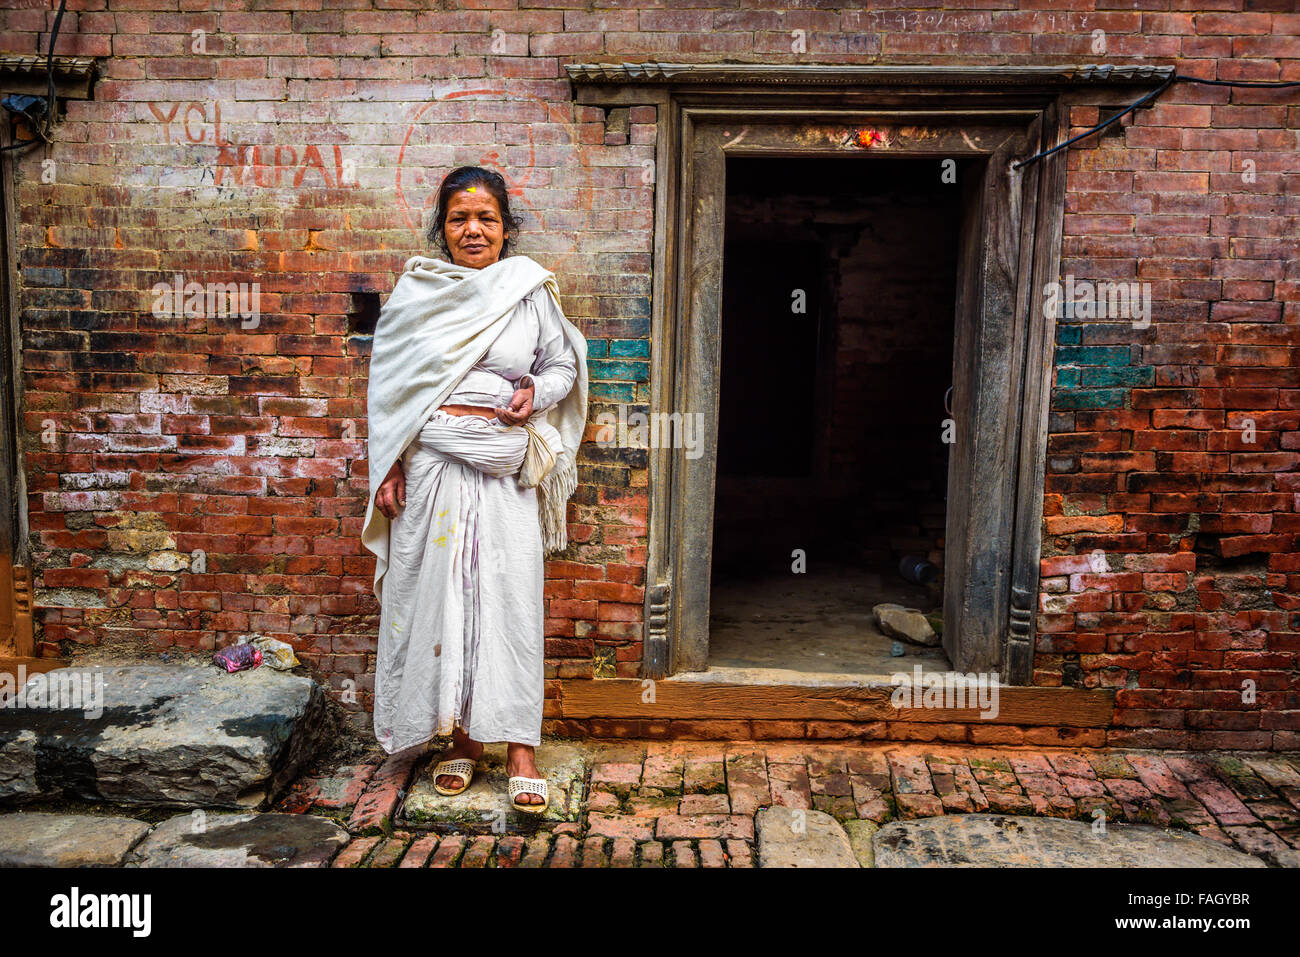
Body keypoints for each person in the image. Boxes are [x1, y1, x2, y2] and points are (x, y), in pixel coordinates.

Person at [362, 166, 588, 813]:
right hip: (431, 470)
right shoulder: (420, 291)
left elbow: (562, 364)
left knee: (508, 601)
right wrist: (391, 465)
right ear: (442, 227)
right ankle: (462, 742)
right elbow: (391, 390)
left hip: (502, 470)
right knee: (444, 600)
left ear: (506, 227)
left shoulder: (527, 290)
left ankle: (519, 747)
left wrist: (534, 392)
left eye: (486, 217)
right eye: (459, 218)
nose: (472, 230)